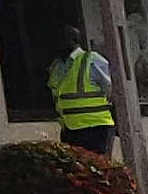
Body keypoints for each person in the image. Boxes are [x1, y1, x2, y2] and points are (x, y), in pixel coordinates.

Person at [47, 25, 122, 157]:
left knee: (97, 166)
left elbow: (113, 90)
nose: (57, 44)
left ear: (73, 41)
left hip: (96, 127)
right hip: (70, 129)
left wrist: (118, 122)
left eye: (61, 39)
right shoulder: (57, 66)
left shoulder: (91, 59)